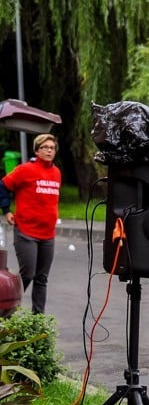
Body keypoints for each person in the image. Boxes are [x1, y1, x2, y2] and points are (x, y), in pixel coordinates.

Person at [0, 134, 62, 314]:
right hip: (26, 232)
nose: (49, 150)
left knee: (42, 278)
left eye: (52, 148)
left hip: (48, 234)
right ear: (37, 150)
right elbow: (2, 187)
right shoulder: (25, 170)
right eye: (45, 147)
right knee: (28, 273)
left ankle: (37, 318)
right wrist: (6, 210)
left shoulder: (56, 172)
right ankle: (7, 310)